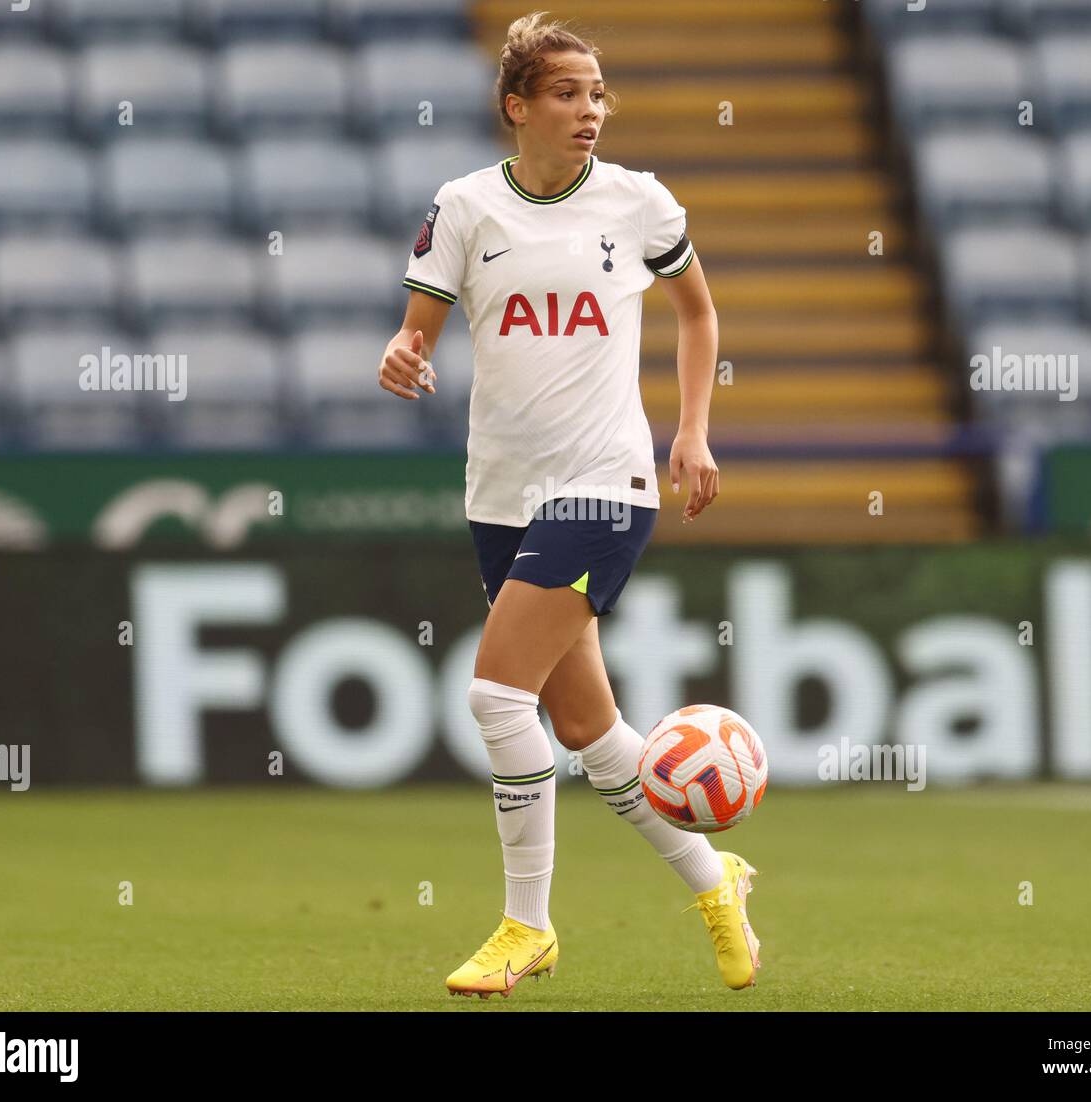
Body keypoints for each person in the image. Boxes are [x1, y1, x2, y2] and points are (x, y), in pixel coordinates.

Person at [378, 10, 760, 999]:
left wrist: (691, 430)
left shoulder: (637, 204)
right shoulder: (465, 207)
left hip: (605, 481)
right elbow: (417, 328)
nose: (589, 110)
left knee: (495, 696)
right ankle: (713, 876)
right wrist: (401, 351)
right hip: (501, 488)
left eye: (596, 94)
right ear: (516, 107)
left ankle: (525, 925)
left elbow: (698, 312)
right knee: (592, 736)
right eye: (566, 94)